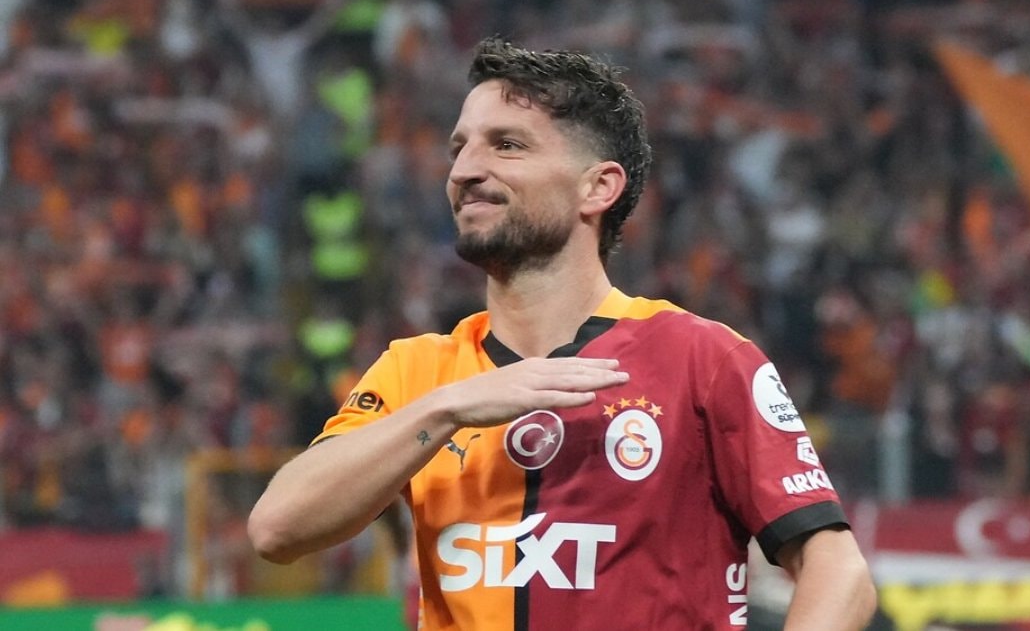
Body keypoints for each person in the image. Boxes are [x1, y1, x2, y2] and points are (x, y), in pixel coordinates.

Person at [248, 37, 877, 630]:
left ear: (598, 187)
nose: (465, 169)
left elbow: (838, 571)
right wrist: (448, 408)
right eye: (458, 148)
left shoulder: (703, 359)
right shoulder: (417, 373)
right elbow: (277, 529)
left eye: (507, 145)